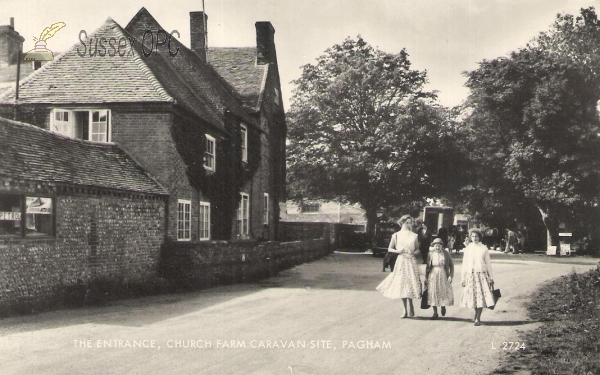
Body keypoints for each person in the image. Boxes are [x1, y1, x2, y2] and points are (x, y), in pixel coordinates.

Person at [376, 215, 422, 318]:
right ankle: (405, 310)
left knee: (410, 283)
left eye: (410, 223)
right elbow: (389, 249)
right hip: (401, 260)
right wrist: (398, 251)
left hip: (411, 261)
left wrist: (414, 253)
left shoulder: (414, 235)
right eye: (407, 223)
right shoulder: (396, 235)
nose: (409, 225)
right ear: (401, 223)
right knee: (402, 284)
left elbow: (418, 249)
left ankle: (411, 306)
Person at [460, 228, 495, 326]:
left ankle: (477, 318)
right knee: (473, 297)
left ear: (479, 237)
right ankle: (476, 314)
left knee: (480, 297)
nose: (474, 238)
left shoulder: (484, 248)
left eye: (476, 236)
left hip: (481, 275)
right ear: (470, 237)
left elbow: (488, 264)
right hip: (470, 276)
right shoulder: (468, 248)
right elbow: (464, 264)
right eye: (473, 236)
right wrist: (463, 278)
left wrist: (491, 277)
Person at [425, 237, 454, 319]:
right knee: (433, 292)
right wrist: (426, 278)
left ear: (442, 246)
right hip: (433, 274)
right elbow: (427, 267)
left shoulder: (446, 253)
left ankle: (443, 305)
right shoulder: (430, 254)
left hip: (443, 274)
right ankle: (435, 313)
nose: (437, 247)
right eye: (435, 246)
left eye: (439, 246)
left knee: (442, 291)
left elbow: (451, 265)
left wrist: (450, 276)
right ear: (433, 246)